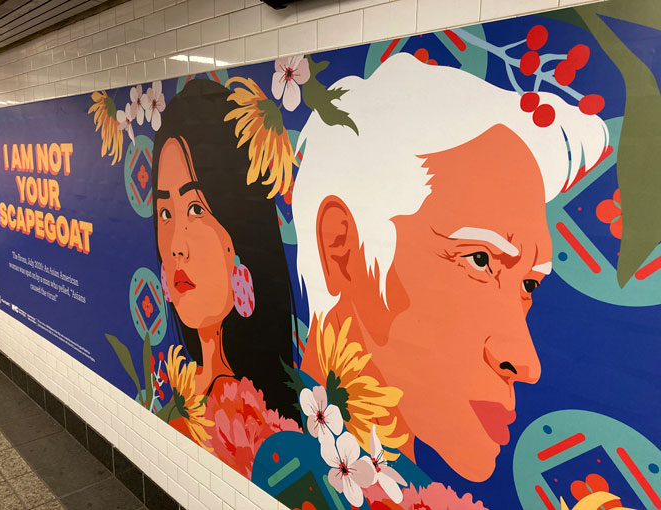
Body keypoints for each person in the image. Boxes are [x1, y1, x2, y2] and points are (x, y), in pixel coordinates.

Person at [291, 52, 609, 482]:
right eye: (480, 260)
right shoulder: (278, 459)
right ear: (342, 249)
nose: (526, 362)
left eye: (528, 285)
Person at [151, 78, 299, 422]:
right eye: (165, 214)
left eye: (196, 210)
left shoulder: (268, 422)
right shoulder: (179, 387)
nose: (176, 248)